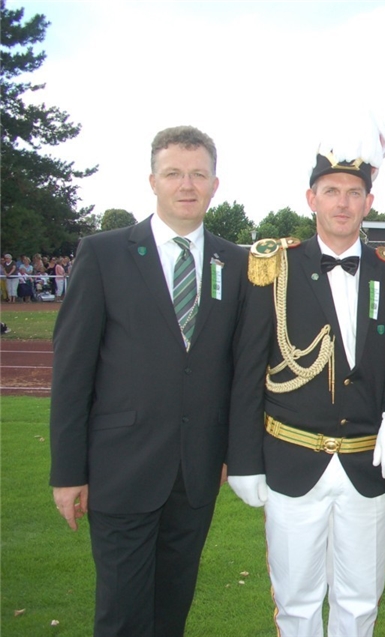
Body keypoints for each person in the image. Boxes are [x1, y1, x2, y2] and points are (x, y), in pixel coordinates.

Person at [49, 125, 260, 637]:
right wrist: (67, 471)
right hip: (121, 467)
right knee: (122, 614)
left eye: (197, 174)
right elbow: (73, 369)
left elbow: (242, 369)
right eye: (173, 173)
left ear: (215, 184)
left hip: (197, 470)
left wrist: (236, 453)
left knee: (172, 609)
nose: (186, 185)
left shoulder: (237, 263)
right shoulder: (103, 253)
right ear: (152, 180)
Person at [226, 113, 385, 637]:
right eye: (330, 190)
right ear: (311, 199)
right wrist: (243, 459)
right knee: (296, 602)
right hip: (292, 461)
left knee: (360, 602)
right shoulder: (274, 268)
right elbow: (247, 369)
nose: (342, 202)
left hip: (364, 465)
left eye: (353, 192)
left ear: (369, 202)